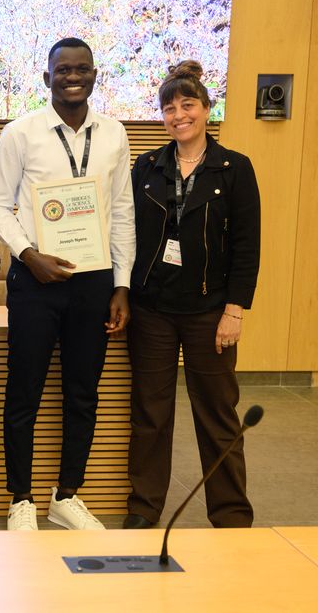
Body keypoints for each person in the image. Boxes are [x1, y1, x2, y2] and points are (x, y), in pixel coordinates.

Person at [0, 37, 135, 531]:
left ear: (94, 74)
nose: (73, 77)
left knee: (82, 393)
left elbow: (122, 211)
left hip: (93, 281)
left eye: (82, 69)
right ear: (47, 77)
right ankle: (21, 499)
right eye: (63, 70)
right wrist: (29, 255)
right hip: (35, 280)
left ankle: (67, 494)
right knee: (23, 393)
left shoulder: (114, 133)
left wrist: (121, 285)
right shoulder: (20, 132)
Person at [124, 61, 261, 530]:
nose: (178, 115)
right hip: (152, 310)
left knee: (217, 415)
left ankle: (231, 515)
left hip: (209, 311)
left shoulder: (234, 168)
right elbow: (128, 233)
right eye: (169, 108)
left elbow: (247, 245)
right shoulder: (147, 167)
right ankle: (143, 510)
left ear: (206, 108)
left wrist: (234, 311)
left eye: (188, 105)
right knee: (150, 415)